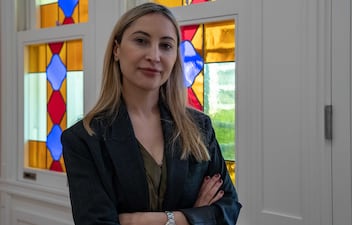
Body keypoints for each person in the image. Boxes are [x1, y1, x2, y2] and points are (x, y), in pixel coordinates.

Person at [61, 2, 241, 225]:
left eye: (166, 45)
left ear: (176, 56)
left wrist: (139, 220)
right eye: (141, 41)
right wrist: (195, 216)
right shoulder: (83, 139)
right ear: (116, 49)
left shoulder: (199, 128)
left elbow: (229, 209)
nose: (154, 56)